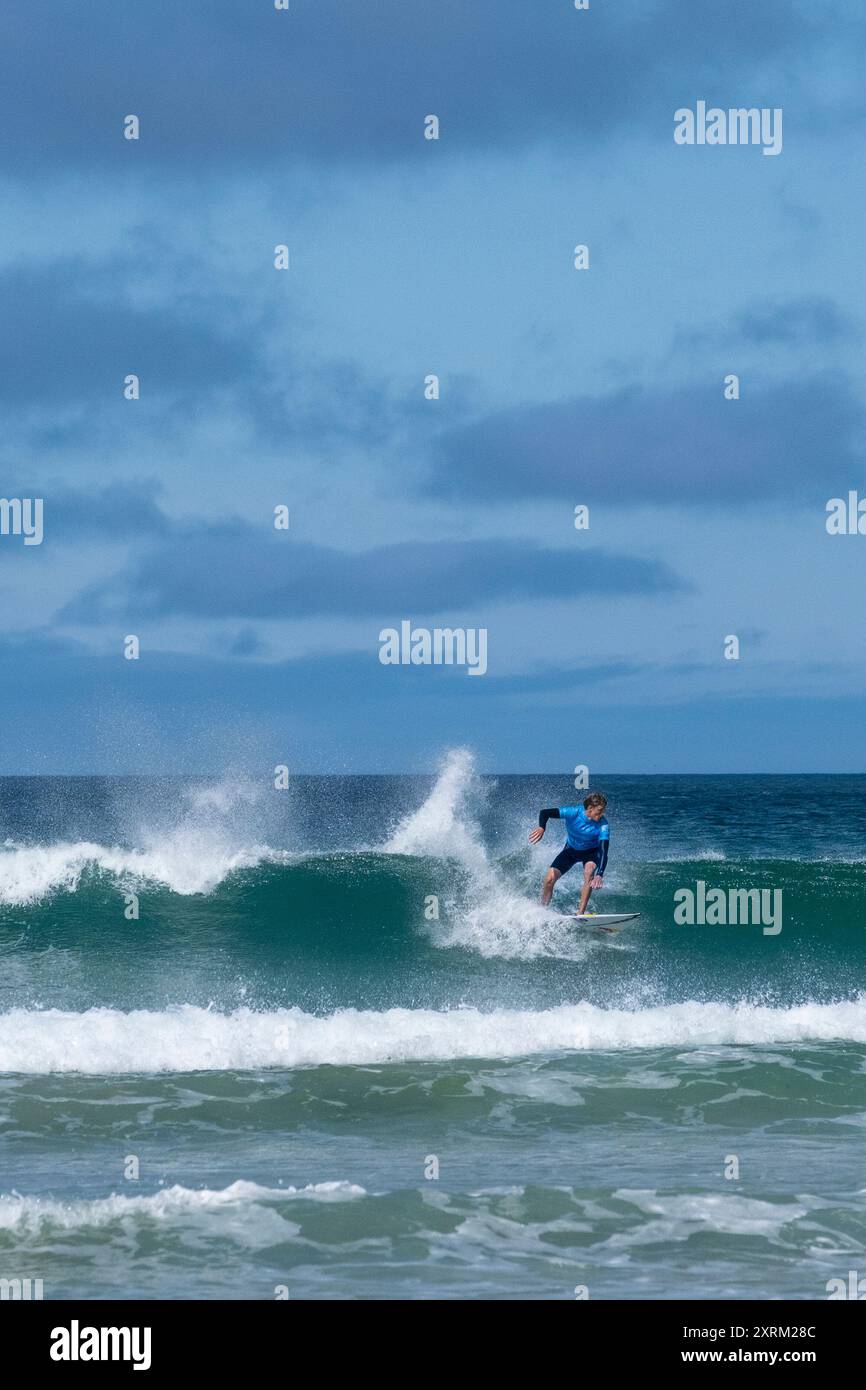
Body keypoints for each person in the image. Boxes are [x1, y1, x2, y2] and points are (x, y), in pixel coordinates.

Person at [529, 792, 610, 911]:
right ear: (590, 808)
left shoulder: (603, 824)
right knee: (549, 879)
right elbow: (545, 812)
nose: (602, 814)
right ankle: (542, 909)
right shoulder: (573, 812)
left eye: (603, 811)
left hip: (591, 853)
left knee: (589, 872)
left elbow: (603, 851)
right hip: (571, 850)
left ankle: (580, 913)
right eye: (600, 811)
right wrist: (542, 827)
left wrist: (600, 874)